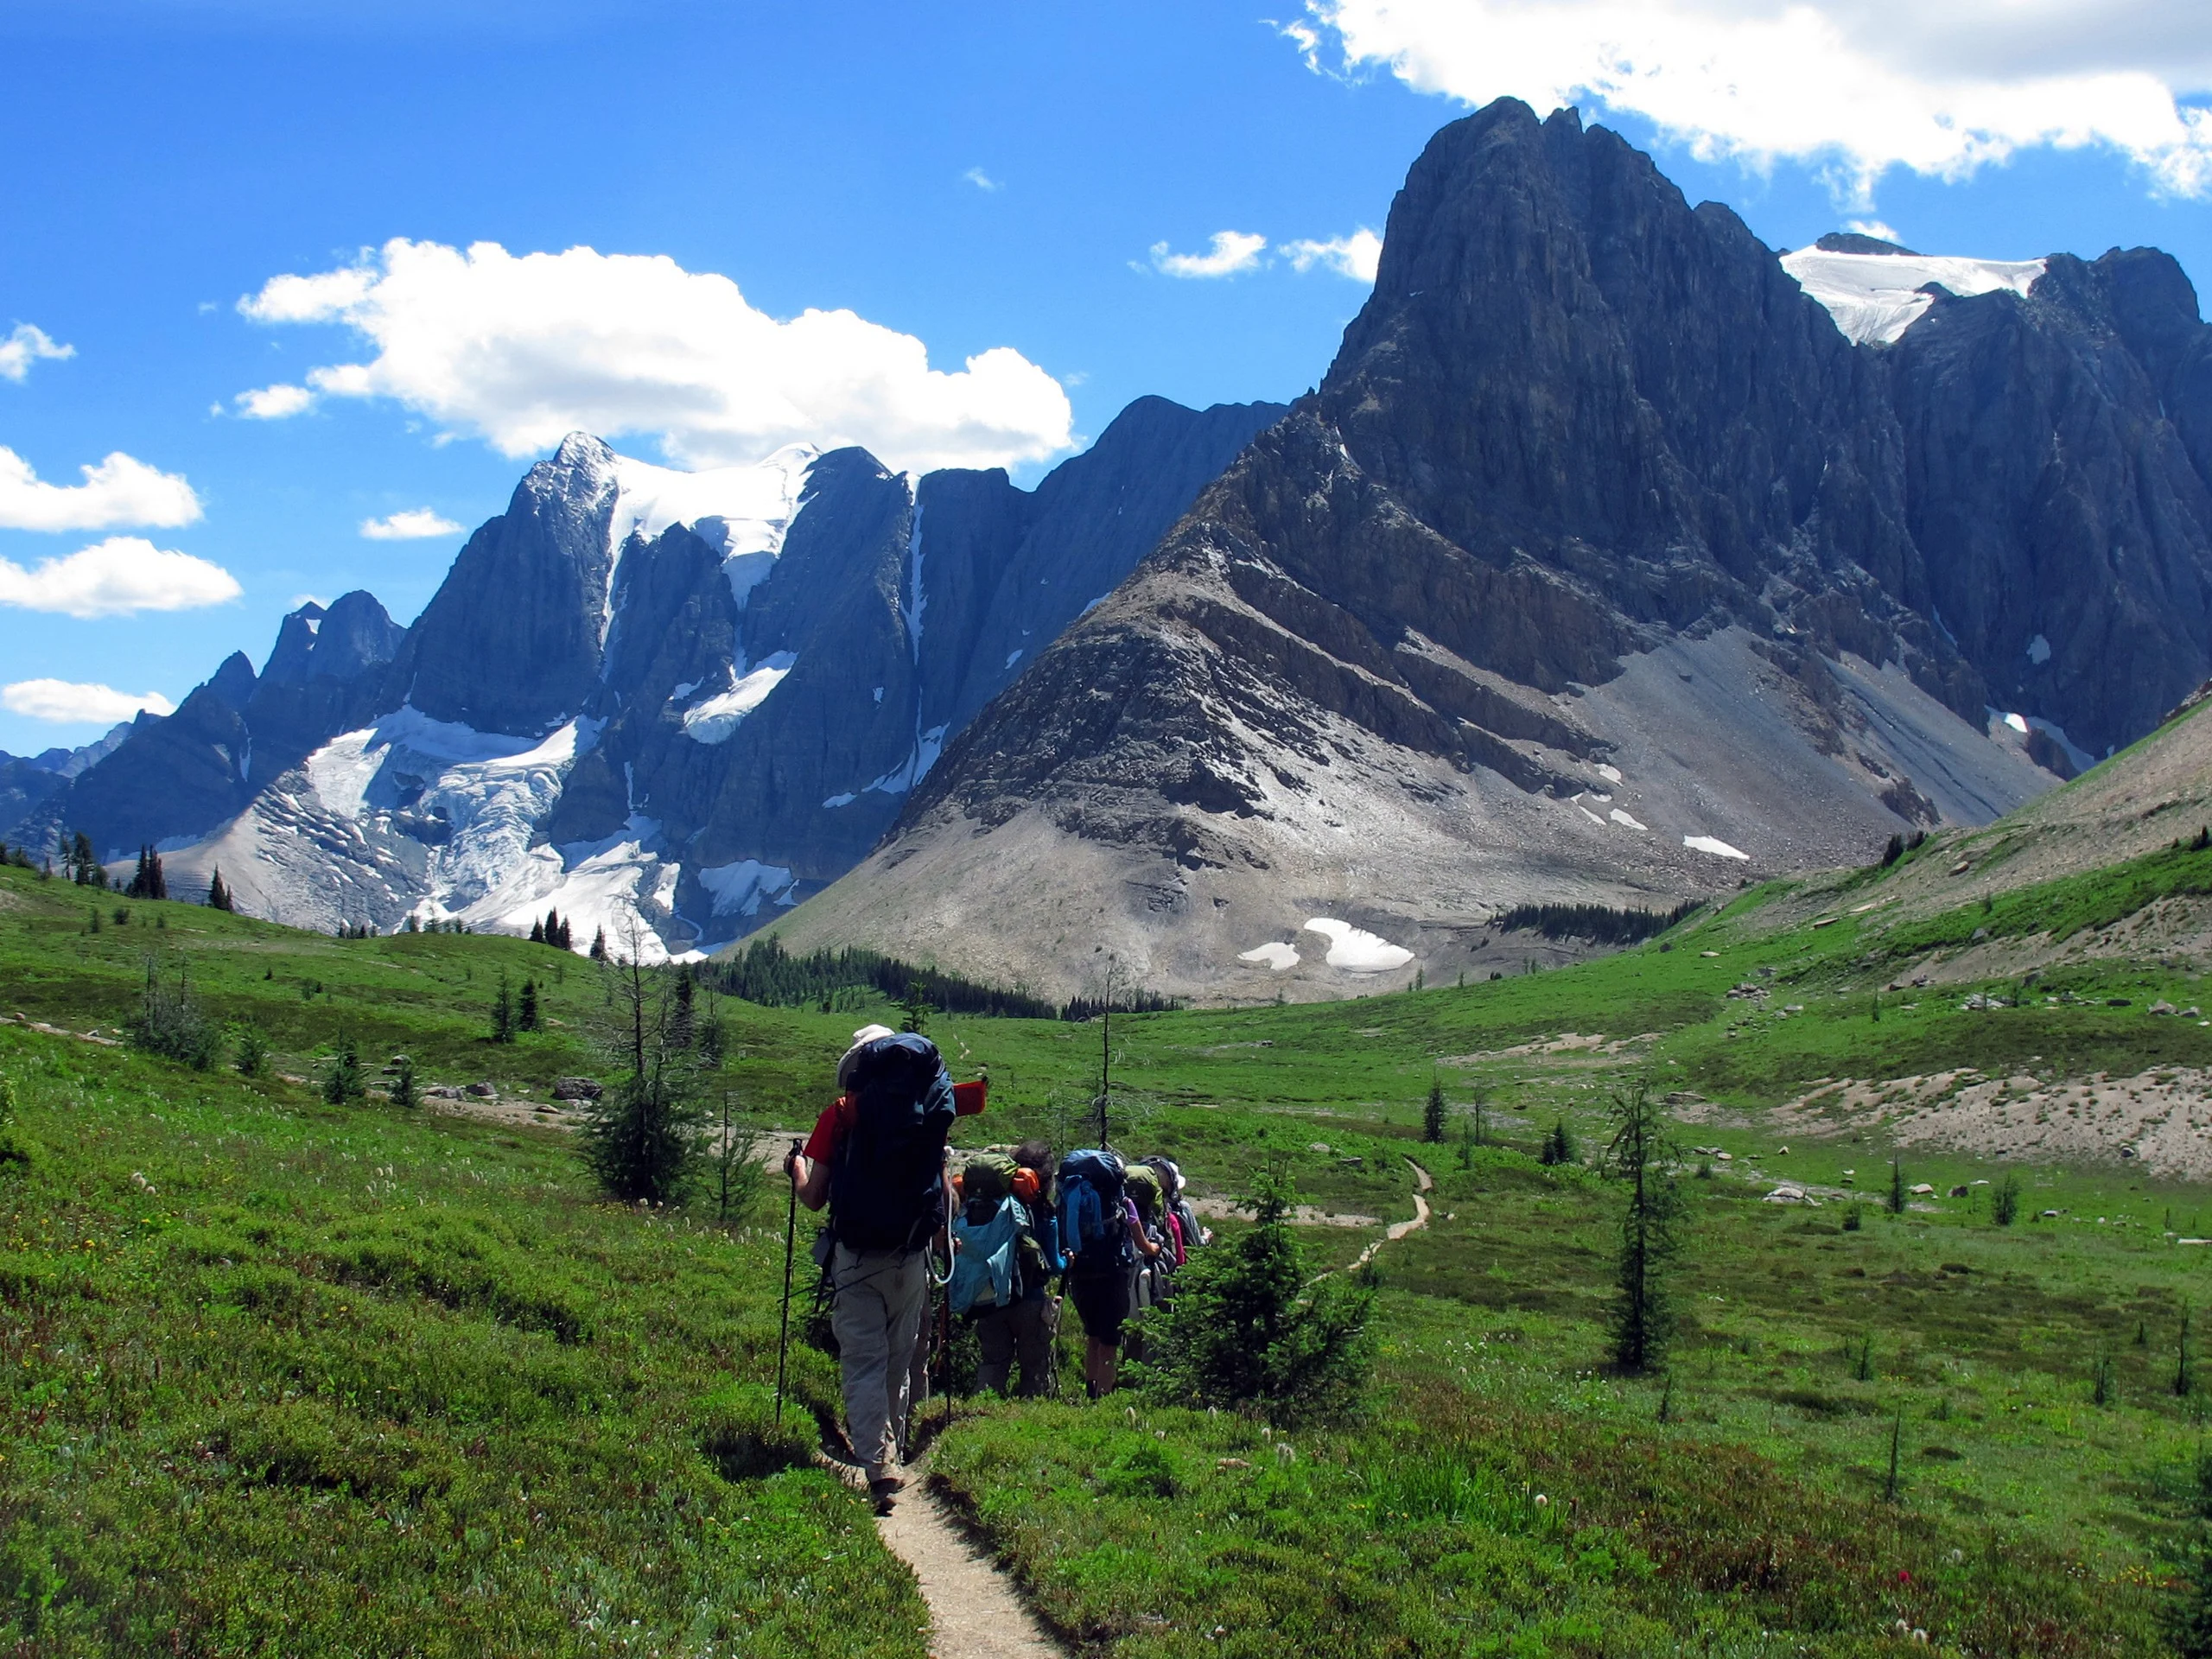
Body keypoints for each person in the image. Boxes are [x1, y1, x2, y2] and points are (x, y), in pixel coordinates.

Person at [786, 1023, 963, 1513]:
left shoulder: (842, 1114)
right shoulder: (929, 1113)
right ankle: (896, 1449)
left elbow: (815, 1198)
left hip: (857, 1256)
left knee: (863, 1358)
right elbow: (941, 1195)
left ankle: (879, 1462)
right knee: (897, 1358)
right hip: (910, 1258)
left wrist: (797, 1169)